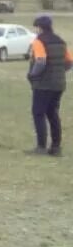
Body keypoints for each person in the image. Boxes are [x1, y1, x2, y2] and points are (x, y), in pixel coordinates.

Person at [27, 15, 71, 157]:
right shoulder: (61, 41)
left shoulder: (39, 41)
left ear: (39, 27)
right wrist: (58, 71)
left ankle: (41, 147)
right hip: (58, 84)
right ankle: (56, 147)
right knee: (52, 114)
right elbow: (69, 62)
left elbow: (40, 61)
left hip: (43, 85)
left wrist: (32, 75)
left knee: (38, 113)